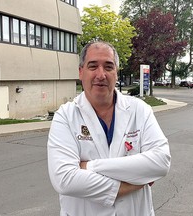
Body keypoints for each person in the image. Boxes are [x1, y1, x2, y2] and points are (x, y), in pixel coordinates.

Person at [47, 41, 171, 216]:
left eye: (108, 66)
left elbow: (161, 162)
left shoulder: (139, 110)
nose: (101, 74)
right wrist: (135, 181)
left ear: (116, 73)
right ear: (81, 72)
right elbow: (65, 180)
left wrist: (89, 167)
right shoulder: (66, 116)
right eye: (93, 66)